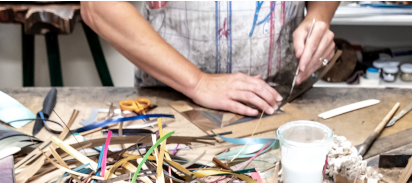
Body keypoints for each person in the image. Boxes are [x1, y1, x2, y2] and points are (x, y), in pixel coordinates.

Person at [82, 1, 339, 117]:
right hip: (173, 101)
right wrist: (198, 83)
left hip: (280, 98)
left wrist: (318, 15)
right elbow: (98, 6)